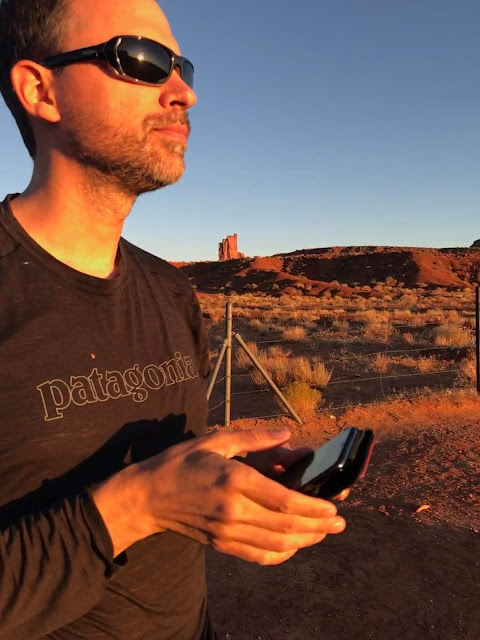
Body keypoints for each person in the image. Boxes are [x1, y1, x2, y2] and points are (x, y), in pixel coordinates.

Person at [0, 0, 349, 638]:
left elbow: (165, 468)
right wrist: (136, 507)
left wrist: (225, 484)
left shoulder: (170, 290)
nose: (184, 93)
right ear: (40, 90)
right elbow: (143, 496)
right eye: (141, 60)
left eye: (181, 68)